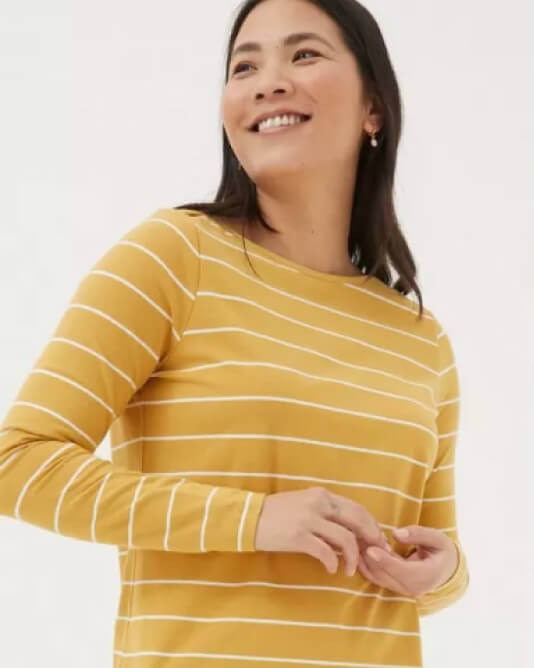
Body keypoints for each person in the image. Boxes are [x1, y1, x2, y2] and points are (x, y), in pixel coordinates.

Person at [0, 0, 469, 666]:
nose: (268, 81)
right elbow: (17, 464)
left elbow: (431, 558)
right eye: (244, 66)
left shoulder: (422, 341)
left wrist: (446, 573)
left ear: (374, 108)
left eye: (303, 54)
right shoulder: (174, 257)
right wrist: (253, 519)